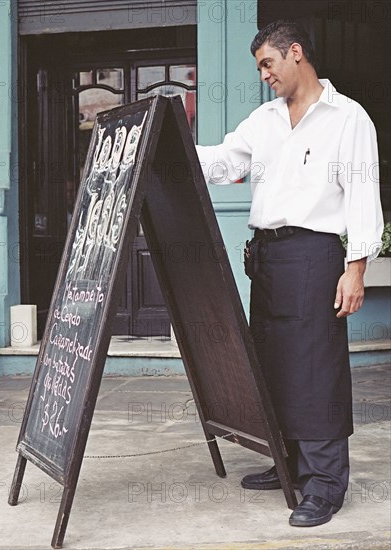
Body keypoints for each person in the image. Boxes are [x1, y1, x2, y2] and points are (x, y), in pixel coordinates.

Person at [196, 20, 383, 527]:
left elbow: (365, 197)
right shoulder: (265, 120)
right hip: (268, 258)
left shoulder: (348, 119)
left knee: (316, 369)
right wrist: (166, 144)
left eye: (267, 63)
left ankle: (325, 484)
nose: (264, 75)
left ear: (294, 52)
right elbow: (220, 162)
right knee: (275, 364)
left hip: (315, 255)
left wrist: (356, 267)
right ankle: (290, 467)